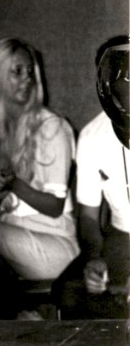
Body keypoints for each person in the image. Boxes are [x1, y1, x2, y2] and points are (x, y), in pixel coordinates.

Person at [0, 38, 79, 288]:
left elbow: (55, 207)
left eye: (30, 72)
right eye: (17, 71)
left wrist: (12, 183)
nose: (27, 79)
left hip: (54, 246)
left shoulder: (51, 128)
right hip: (11, 234)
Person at [54, 35, 130, 318]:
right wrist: (94, 258)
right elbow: (88, 217)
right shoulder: (91, 135)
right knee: (69, 292)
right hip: (122, 238)